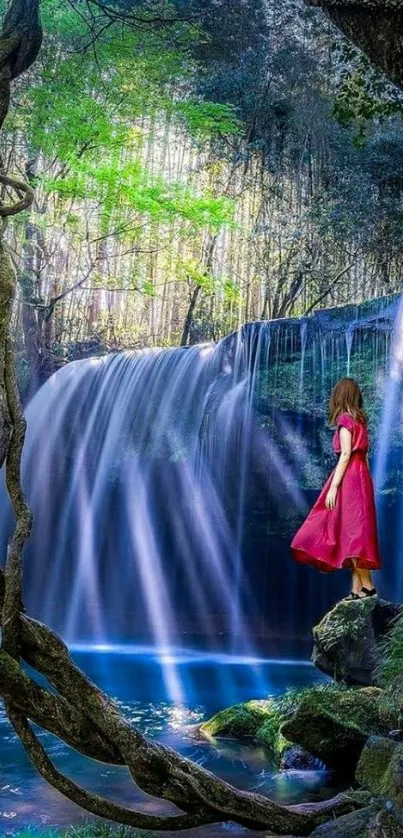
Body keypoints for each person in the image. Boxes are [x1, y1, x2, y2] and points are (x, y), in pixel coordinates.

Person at [291, 377, 381, 599]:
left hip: (350, 476)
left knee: (351, 532)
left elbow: (346, 454)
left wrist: (333, 487)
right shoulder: (360, 421)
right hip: (362, 477)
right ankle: (356, 588)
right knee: (353, 531)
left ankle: (367, 586)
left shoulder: (345, 420)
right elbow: (365, 456)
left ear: (339, 397)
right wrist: (368, 482)